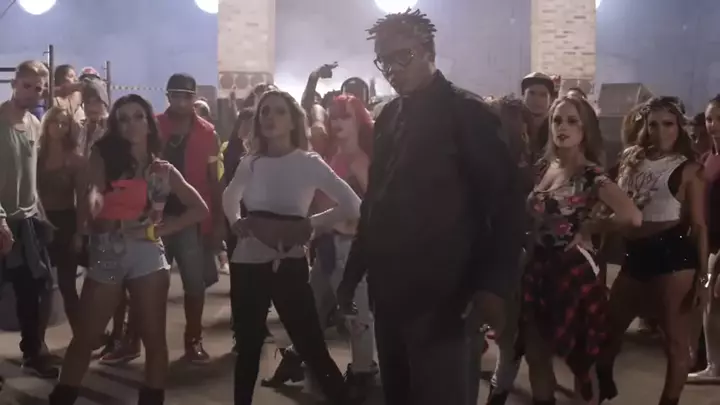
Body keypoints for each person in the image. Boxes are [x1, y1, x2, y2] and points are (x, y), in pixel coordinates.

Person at [336, 9, 525, 405]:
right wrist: (353, 273)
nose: (392, 68)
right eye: (384, 60)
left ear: (428, 52)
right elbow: (376, 201)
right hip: (390, 293)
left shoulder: (468, 114)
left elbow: (505, 206)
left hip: (446, 297)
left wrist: (493, 287)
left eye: (402, 56)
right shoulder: (389, 116)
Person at [48, 94, 209, 405]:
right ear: (116, 126)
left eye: (138, 116)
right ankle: (63, 397)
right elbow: (92, 192)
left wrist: (159, 229)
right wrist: (92, 207)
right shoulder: (103, 157)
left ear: (149, 123)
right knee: (86, 337)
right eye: (123, 118)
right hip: (107, 252)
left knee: (154, 338)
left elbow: (199, 209)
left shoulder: (162, 169)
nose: (131, 124)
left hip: (147, 254)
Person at [223, 89, 360, 404]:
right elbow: (230, 195)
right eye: (265, 111)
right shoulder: (251, 162)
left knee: (310, 343)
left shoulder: (308, 162)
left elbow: (352, 204)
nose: (270, 117)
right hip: (248, 260)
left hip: (289, 262)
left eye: (279, 111)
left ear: (293, 120)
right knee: (248, 346)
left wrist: (311, 224)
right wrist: (236, 221)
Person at [519, 96, 641, 405]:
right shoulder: (544, 167)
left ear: (586, 129)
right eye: (557, 120)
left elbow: (632, 216)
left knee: (580, 358)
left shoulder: (591, 175)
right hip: (537, 269)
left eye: (572, 121)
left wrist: (589, 228)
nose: (563, 127)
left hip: (571, 272)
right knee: (535, 353)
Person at [598, 97, 708, 405]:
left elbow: (699, 226)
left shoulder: (689, 169)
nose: (660, 131)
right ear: (644, 126)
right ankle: (601, 379)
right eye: (653, 124)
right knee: (610, 329)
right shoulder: (631, 158)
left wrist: (704, 278)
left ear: (680, 127)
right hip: (634, 254)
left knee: (674, 340)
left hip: (673, 258)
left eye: (668, 124)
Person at [155, 73, 225, 363]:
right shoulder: (152, 126)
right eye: (176, 95)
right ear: (168, 96)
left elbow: (216, 180)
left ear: (194, 98)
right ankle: (139, 339)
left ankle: (193, 339)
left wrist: (218, 223)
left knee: (194, 284)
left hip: (191, 219)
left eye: (186, 95)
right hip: (154, 216)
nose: (181, 101)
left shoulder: (208, 134)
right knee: (147, 286)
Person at [0, 60, 60, 379]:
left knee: (32, 290)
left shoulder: (35, 124)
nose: (33, 93)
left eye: (39, 88)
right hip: (2, 220)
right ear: (14, 84)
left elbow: (31, 178)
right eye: (27, 86)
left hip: (27, 222)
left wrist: (40, 216)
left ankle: (33, 352)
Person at [37, 106, 85, 336]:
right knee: (41, 286)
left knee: (67, 285)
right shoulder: (36, 155)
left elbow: (82, 199)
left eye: (64, 123)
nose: (58, 127)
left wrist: (80, 233)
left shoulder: (76, 160)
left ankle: (82, 337)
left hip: (66, 222)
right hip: (39, 222)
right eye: (54, 122)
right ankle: (37, 342)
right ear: (46, 125)